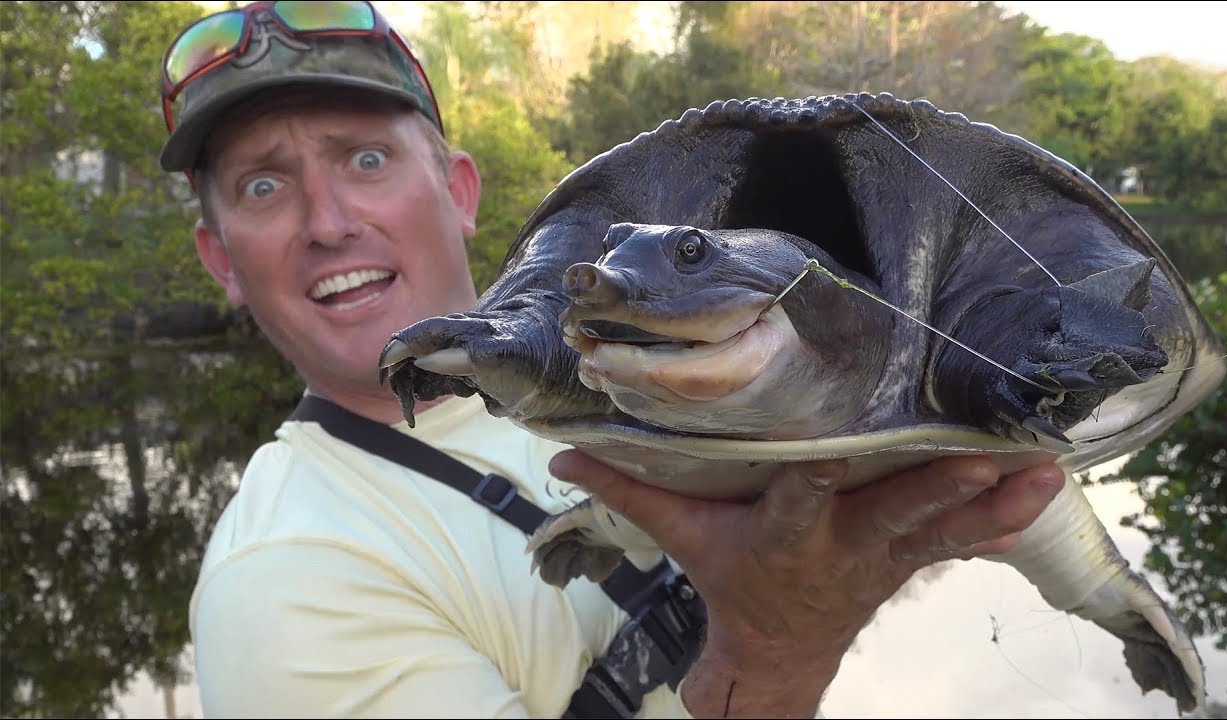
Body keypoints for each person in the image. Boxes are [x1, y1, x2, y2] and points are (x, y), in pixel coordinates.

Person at [158, 2, 1067, 717]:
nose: (327, 222)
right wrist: (778, 650)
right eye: (264, 185)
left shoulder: (662, 358)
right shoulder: (284, 583)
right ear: (219, 260)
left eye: (363, 159)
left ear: (459, 190)